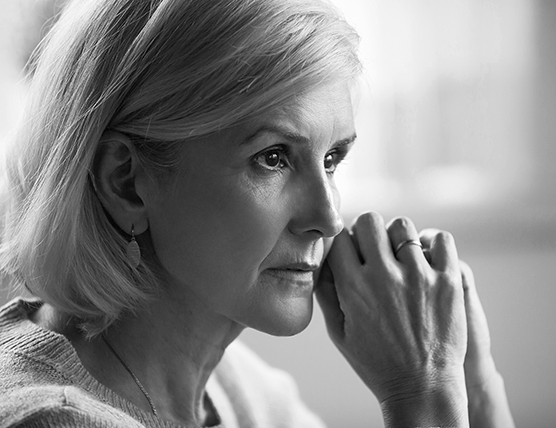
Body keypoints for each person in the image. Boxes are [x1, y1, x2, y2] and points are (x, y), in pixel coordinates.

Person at [0, 0, 515, 426]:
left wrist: (472, 382)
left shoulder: (236, 386)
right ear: (126, 182)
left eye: (333, 158)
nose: (328, 218)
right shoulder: (54, 419)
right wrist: (419, 392)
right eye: (273, 158)